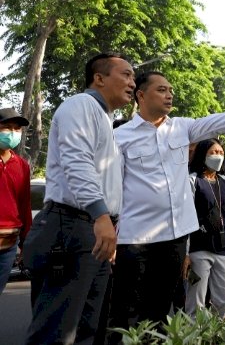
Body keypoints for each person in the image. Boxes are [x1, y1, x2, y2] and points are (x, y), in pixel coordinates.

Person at [109, 71, 225, 340]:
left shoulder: (181, 128)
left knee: (162, 310)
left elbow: (218, 122)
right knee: (129, 310)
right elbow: (111, 187)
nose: (169, 94)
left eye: (170, 89)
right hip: (134, 239)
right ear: (141, 95)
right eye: (161, 89)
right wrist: (108, 227)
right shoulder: (120, 137)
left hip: (174, 238)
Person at [23, 53, 135, 345]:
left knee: (85, 330)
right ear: (99, 78)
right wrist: (101, 218)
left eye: (133, 77)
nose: (132, 83)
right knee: (57, 333)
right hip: (72, 227)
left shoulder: (105, 120)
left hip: (91, 231)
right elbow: (78, 163)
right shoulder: (81, 105)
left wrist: (109, 225)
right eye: (125, 74)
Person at [183, 139, 225, 316]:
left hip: (222, 249)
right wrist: (186, 253)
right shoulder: (192, 181)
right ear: (203, 154)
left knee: (224, 299)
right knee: (196, 301)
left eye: (220, 152)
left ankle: (213, 333)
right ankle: (193, 338)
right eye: (213, 152)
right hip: (198, 249)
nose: (218, 156)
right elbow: (185, 218)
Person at [0, 108, 31, 295]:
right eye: (6, 127)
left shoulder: (22, 165)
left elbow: (25, 205)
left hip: (8, 246)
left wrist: (26, 244)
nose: (12, 132)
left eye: (16, 128)